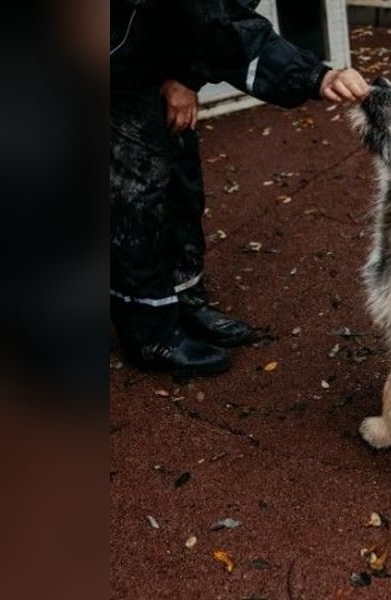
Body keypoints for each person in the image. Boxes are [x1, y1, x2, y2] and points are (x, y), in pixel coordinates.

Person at [110, 0, 369, 377]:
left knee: (179, 172)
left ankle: (184, 300)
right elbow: (219, 24)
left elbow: (218, 16)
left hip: (154, 32)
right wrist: (315, 76)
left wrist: (184, 76)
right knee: (137, 191)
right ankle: (149, 332)